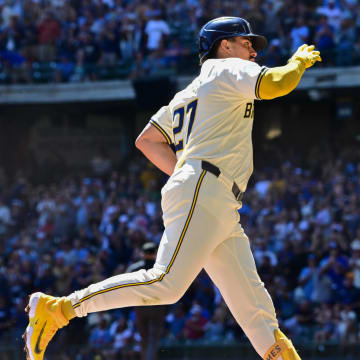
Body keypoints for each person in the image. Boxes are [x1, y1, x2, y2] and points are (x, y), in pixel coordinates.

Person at [23, 16, 321, 360]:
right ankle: (58, 309)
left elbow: (147, 140)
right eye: (246, 42)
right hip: (206, 187)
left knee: (259, 318)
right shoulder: (222, 70)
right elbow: (276, 84)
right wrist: (297, 62)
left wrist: (186, 172)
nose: (252, 50)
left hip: (214, 196)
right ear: (224, 46)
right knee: (165, 283)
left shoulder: (190, 92)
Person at [126, 242, 168, 360]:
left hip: (140, 307)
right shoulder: (161, 268)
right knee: (154, 339)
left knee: (144, 339)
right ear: (155, 253)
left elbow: (126, 289)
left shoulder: (133, 268)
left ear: (142, 253)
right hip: (158, 306)